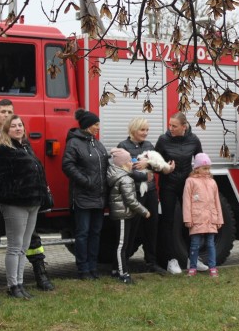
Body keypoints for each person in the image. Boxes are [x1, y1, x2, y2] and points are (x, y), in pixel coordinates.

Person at [0, 99, 54, 292]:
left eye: (12, 114)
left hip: (29, 201)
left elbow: (33, 169)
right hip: (7, 202)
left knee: (29, 242)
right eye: (4, 112)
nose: (8, 116)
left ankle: (33, 276)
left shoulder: (23, 144)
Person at [62, 109, 109, 280]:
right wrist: (86, 181)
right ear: (88, 125)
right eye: (96, 124)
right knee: (83, 233)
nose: (98, 127)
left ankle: (92, 267)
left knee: (95, 233)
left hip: (99, 196)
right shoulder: (74, 143)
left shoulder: (97, 144)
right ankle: (83, 268)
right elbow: (67, 166)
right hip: (83, 197)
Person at [155, 112, 203, 275]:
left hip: (187, 185)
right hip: (168, 185)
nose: (171, 129)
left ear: (184, 127)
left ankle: (193, 259)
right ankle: (171, 260)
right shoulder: (163, 140)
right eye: (170, 125)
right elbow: (155, 163)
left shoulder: (193, 140)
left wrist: (195, 176)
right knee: (168, 221)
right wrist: (165, 168)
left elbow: (200, 162)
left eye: (174, 126)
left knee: (190, 220)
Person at [117, 117, 166, 275]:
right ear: (133, 130)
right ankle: (123, 263)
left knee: (152, 227)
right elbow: (123, 171)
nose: (145, 133)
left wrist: (148, 165)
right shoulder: (123, 147)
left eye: (147, 130)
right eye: (142, 130)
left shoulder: (149, 146)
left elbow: (159, 167)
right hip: (133, 193)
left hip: (150, 192)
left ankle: (151, 262)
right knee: (132, 229)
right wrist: (143, 175)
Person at [107, 148, 151, 284]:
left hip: (120, 214)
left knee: (119, 243)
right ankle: (123, 273)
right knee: (122, 245)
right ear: (124, 164)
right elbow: (131, 201)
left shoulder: (116, 175)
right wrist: (144, 211)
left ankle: (115, 269)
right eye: (130, 161)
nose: (133, 163)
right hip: (123, 215)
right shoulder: (126, 179)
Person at [182, 153, 224, 277]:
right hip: (197, 219)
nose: (207, 171)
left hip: (211, 218)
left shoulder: (212, 182)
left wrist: (219, 219)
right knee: (195, 244)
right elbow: (186, 202)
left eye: (208, 168)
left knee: (210, 243)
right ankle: (193, 267)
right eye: (204, 168)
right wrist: (187, 219)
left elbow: (217, 202)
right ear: (196, 168)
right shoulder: (190, 181)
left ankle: (213, 267)